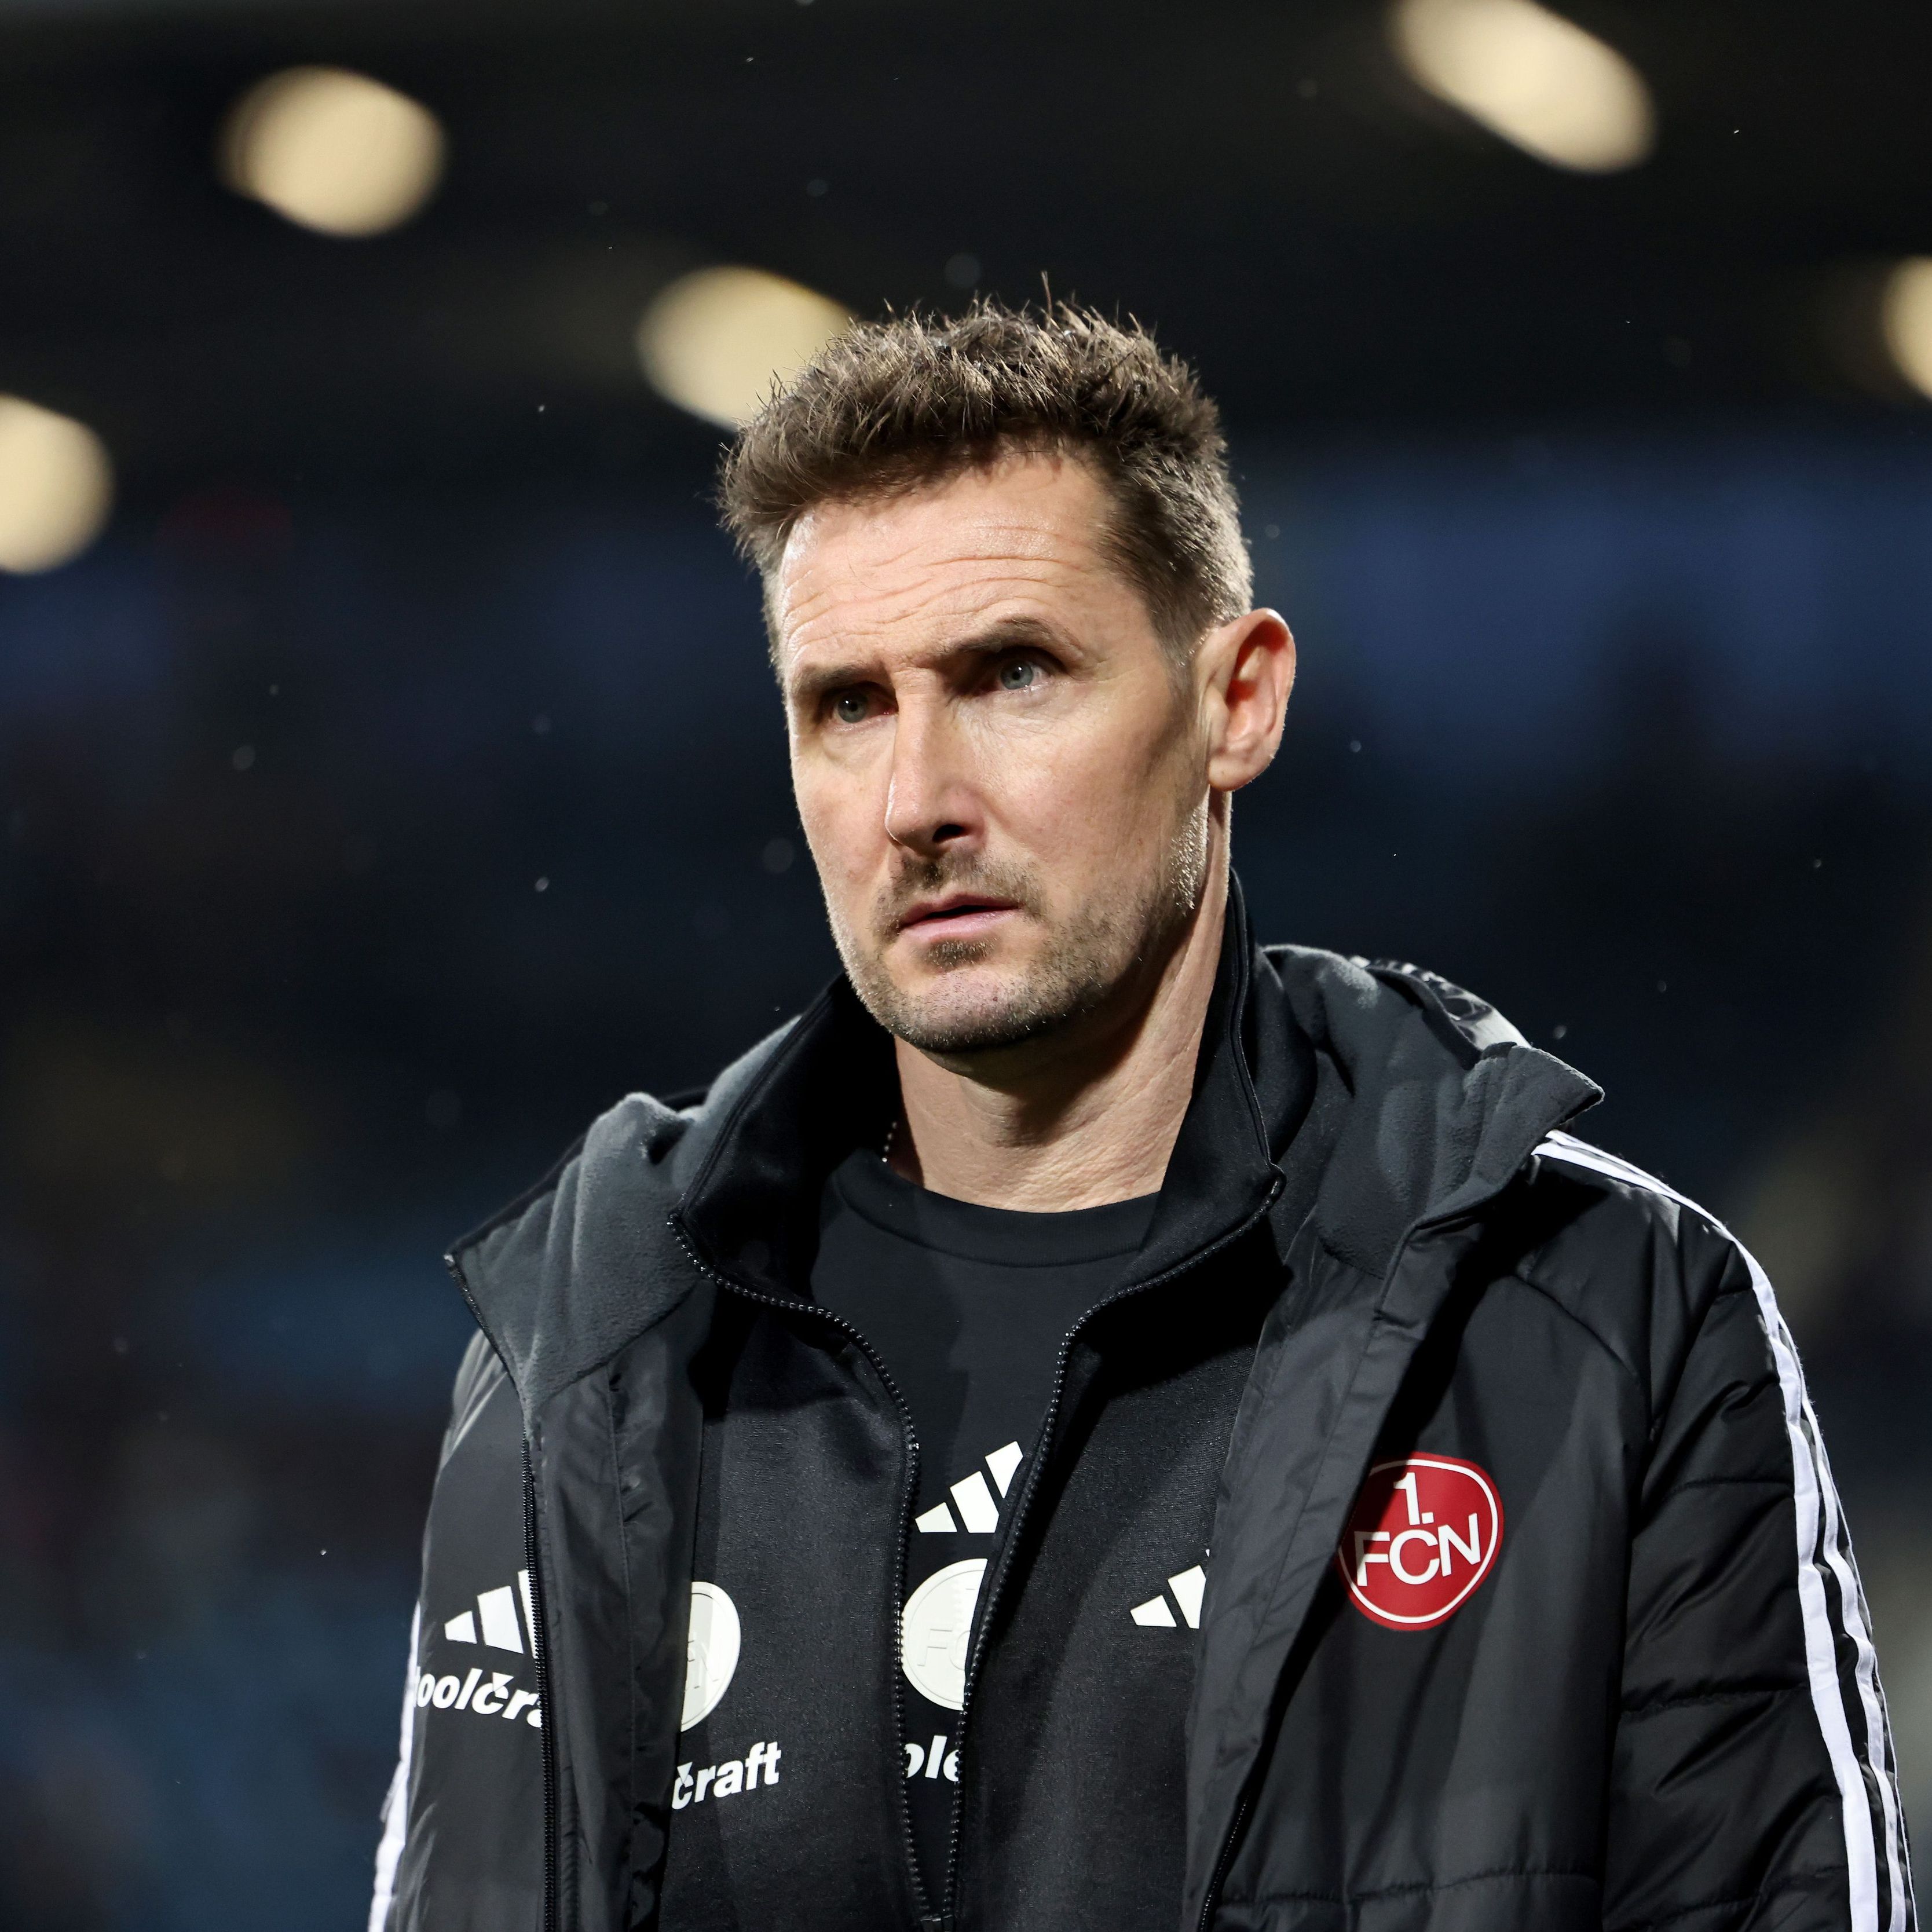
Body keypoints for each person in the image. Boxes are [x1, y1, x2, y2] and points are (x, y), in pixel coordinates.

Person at [369, 302, 1913, 1932]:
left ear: (1237, 700)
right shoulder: (596, 1345)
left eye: (1013, 674)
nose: (918, 801)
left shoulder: (1608, 1322)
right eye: (848, 705)